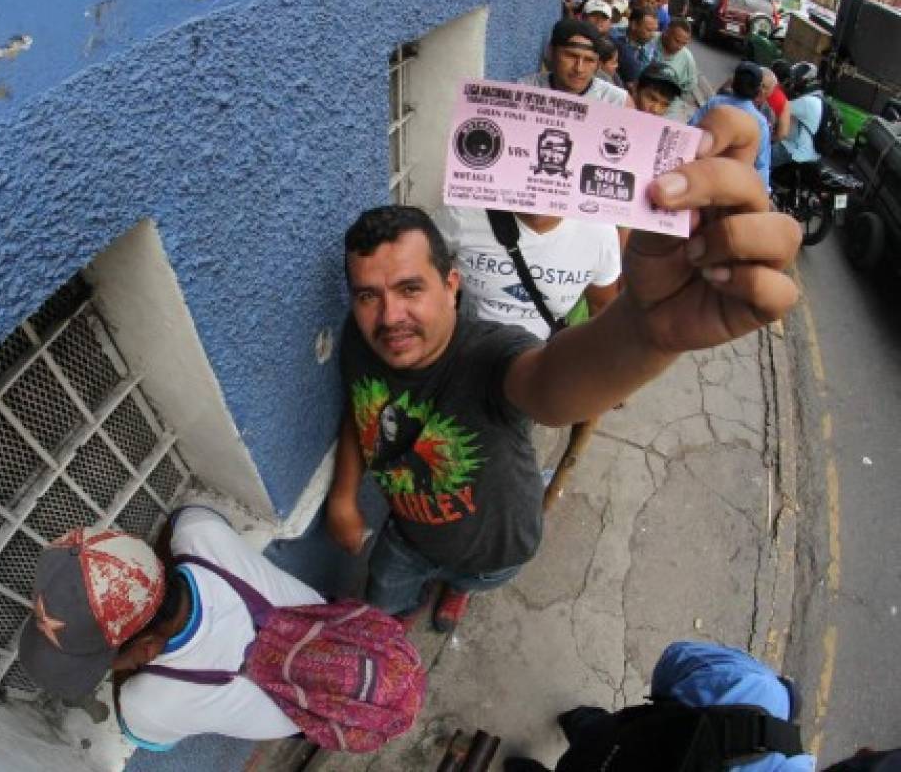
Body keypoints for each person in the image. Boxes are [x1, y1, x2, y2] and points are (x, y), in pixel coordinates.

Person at [326, 107, 802, 633]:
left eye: (410, 289)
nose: (390, 316)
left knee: (469, 581)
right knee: (385, 612)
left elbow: (549, 386)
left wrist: (646, 334)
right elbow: (362, 409)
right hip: (405, 539)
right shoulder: (358, 337)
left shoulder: (491, 353)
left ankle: (458, 590)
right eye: (369, 295)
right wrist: (344, 495)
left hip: (494, 553)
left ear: (452, 284)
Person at [19, 507, 325, 749]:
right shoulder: (197, 530)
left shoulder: (146, 708)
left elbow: (145, 737)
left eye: (103, 660)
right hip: (334, 630)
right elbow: (182, 517)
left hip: (316, 717)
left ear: (147, 650)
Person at [503, 640, 813, 771]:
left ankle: (581, 724)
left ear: (862, 753)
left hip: (616, 749)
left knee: (595, 736)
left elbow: (674, 659)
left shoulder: (760, 693)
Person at [433, 208, 620, 342]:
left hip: (542, 361)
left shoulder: (599, 232)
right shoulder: (462, 214)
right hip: (464, 351)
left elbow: (602, 307)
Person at [691, 62, 772, 190]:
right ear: (757, 90)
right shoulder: (760, 122)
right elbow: (762, 164)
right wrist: (764, 191)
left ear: (733, 83)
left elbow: (691, 128)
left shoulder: (715, 103)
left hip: (700, 171)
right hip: (731, 183)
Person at [523, 19, 631, 108]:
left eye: (589, 60)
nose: (579, 68)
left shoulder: (617, 102)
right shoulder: (524, 91)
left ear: (598, 64)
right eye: (571, 56)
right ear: (551, 52)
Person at [771, 62, 824, 171]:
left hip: (795, 150)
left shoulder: (807, 102)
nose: (793, 83)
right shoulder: (818, 98)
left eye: (796, 80)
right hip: (811, 151)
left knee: (759, 159)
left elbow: (779, 106)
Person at [651, 17, 698, 116]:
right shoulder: (650, 39)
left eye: (684, 44)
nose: (680, 47)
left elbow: (690, 85)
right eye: (677, 41)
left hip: (667, 108)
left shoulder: (687, 59)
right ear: (666, 32)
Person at [613, 5, 658, 84]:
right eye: (649, 30)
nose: (652, 35)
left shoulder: (651, 47)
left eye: (654, 30)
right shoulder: (613, 38)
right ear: (634, 25)